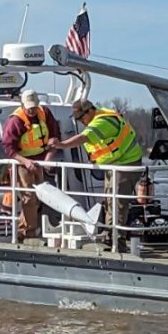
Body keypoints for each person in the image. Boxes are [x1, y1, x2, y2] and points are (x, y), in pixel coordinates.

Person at [50, 100, 143, 249]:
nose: (81, 122)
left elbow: (84, 138)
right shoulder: (100, 117)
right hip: (114, 165)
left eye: (81, 118)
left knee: (117, 202)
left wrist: (62, 145)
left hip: (126, 164)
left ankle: (117, 242)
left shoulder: (102, 122)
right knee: (109, 201)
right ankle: (109, 236)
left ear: (90, 111)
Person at [2, 89, 61, 240]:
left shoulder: (45, 113)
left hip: (39, 162)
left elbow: (55, 136)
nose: (32, 110)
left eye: (34, 107)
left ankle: (28, 229)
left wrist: (49, 157)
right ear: (22, 105)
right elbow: (9, 148)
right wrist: (26, 162)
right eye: (29, 107)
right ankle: (28, 233)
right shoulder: (15, 121)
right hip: (22, 163)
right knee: (29, 197)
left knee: (40, 196)